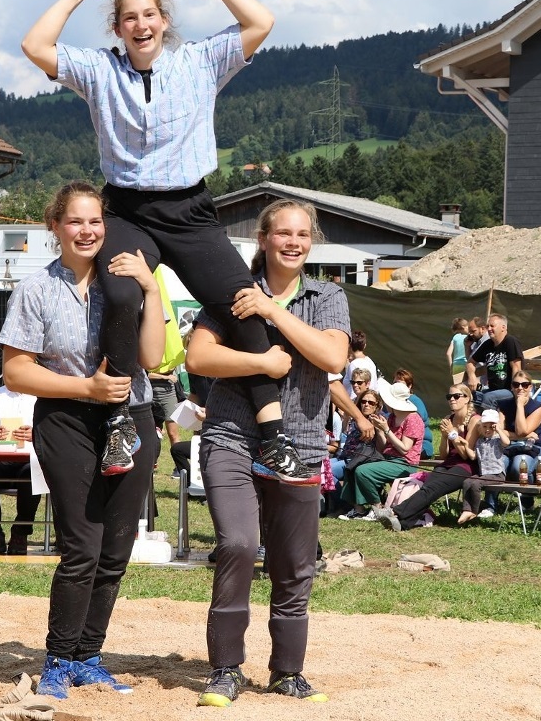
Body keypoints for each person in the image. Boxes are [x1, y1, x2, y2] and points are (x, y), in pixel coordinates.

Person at [21, 0, 309, 487]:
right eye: (129, 17)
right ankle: (118, 422)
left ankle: (273, 436)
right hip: (128, 210)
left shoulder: (199, 61)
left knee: (243, 301)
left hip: (191, 210)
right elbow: (35, 45)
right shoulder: (100, 70)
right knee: (124, 294)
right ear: (118, 28)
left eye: (149, 14)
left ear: (163, 20)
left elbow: (260, 21)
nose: (140, 24)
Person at [0, 182, 163, 699]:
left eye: (96, 221)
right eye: (75, 221)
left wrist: (152, 289)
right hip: (67, 419)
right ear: (56, 226)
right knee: (82, 548)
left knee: (116, 550)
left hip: (131, 416)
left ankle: (89, 656)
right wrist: (84, 387)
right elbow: (16, 372)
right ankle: (58, 657)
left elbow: (153, 360)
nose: (87, 230)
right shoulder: (36, 289)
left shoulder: (128, 283)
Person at [186, 197, 347, 707]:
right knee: (236, 543)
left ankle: (287, 673)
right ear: (263, 239)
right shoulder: (232, 292)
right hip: (231, 435)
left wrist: (273, 310)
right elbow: (199, 356)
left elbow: (332, 355)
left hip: (300, 441)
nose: (294, 242)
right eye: (283, 233)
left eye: (302, 234)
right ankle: (226, 669)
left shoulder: (327, 296)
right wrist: (263, 360)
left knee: (294, 564)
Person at [376, 383, 480, 532]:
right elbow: (444, 454)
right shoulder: (448, 418)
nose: (452, 399)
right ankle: (403, 524)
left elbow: (466, 455)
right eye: (449, 396)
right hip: (448, 464)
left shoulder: (475, 421)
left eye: (456, 396)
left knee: (432, 488)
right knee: (426, 488)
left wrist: (452, 434)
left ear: (467, 398)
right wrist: (445, 437)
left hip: (466, 467)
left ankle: (394, 512)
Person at [0, 383, 42, 555]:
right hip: (0, 459)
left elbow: (54, 434)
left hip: (29, 458)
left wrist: (35, 435)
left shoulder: (40, 396)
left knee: (32, 472)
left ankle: (21, 532)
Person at [339, 381, 423, 519]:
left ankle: (377, 508)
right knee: (354, 465)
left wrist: (386, 430)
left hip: (404, 463)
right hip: (387, 458)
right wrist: (379, 431)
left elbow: (404, 449)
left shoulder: (412, 418)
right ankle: (358, 509)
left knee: (363, 472)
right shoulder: (392, 417)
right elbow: (383, 447)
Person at [458, 409, 509, 524]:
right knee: (467, 482)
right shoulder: (480, 441)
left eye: (491, 427)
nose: (487, 429)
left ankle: (474, 511)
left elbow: (506, 443)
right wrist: (466, 446)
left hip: (497, 474)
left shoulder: (497, 440)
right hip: (484, 474)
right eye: (485, 426)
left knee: (476, 484)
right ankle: (466, 509)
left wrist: (499, 430)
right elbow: (473, 456)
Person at [465, 313, 523, 409]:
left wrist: (516, 391)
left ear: (503, 327)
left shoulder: (510, 342)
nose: (489, 329)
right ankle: (472, 422)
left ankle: (488, 423)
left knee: (489, 397)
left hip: (509, 390)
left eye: (492, 326)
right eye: (488, 326)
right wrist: (472, 376)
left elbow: (517, 368)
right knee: (471, 396)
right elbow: (470, 362)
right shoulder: (488, 344)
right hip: (492, 390)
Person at [341, 330, 377, 398]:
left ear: (350, 346)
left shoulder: (354, 364)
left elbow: (354, 391)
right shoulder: (370, 362)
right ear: (364, 346)